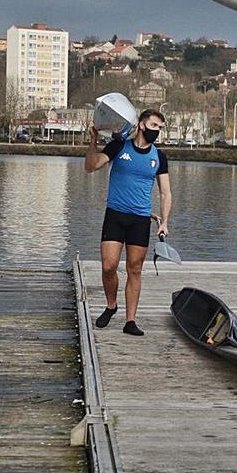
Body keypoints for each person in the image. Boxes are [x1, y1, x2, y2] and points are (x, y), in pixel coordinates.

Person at [85, 109, 173, 336]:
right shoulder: (119, 146)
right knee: (108, 266)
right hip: (115, 215)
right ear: (142, 125)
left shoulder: (158, 157)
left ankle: (130, 321)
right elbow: (91, 167)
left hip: (140, 220)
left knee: (134, 269)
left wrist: (164, 222)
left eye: (160, 128)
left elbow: (165, 193)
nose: (157, 131)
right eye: (154, 126)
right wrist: (93, 142)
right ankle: (111, 305)